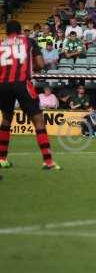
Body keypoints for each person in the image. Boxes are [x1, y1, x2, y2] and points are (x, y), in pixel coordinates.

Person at [0, 20, 60, 170]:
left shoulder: (1, 43)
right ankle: (48, 161)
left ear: (7, 32)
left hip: (3, 85)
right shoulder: (29, 41)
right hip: (22, 83)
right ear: (20, 31)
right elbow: (40, 64)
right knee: (38, 120)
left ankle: (1, 158)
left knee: (6, 119)